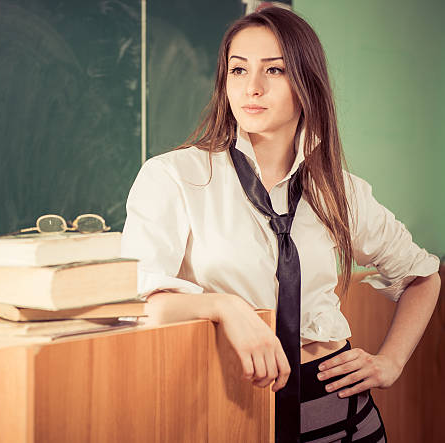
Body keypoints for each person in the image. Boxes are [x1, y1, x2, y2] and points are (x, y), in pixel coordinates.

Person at [121, 6, 440, 443]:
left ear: (306, 83)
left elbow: (423, 276)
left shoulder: (340, 190)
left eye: (274, 70)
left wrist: (391, 362)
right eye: (238, 70)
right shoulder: (175, 177)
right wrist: (225, 307)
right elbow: (138, 303)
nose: (252, 88)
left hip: (343, 413)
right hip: (233, 410)